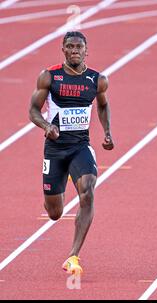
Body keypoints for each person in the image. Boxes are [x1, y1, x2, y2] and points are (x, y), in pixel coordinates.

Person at [29, 31, 114, 274]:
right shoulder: (49, 77)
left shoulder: (97, 80)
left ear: (87, 51)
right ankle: (59, 183)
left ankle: (73, 255)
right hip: (55, 149)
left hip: (80, 146)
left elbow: (104, 104)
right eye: (70, 46)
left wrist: (107, 131)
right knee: (55, 213)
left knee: (87, 192)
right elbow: (33, 110)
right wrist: (47, 126)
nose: (75, 50)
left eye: (79, 47)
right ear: (63, 50)